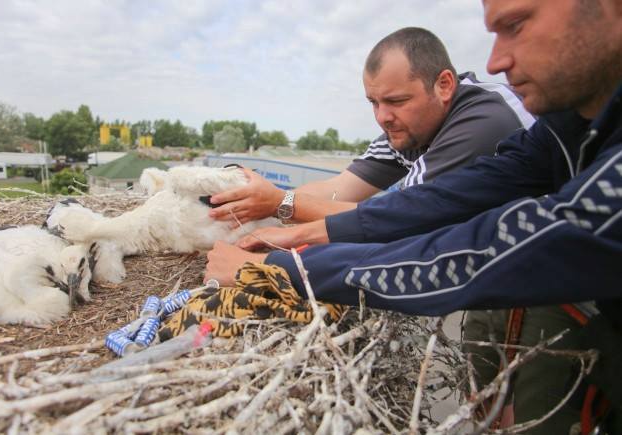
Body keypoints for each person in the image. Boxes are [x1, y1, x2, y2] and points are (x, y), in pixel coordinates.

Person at [206, 0, 622, 432]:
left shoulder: (482, 120)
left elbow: (481, 249)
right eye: (374, 102)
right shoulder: (563, 126)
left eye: (515, 25)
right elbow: (435, 202)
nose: (496, 60)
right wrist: (299, 230)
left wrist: (279, 270)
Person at [207, 27, 533, 225]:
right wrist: (260, 202)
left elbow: (396, 217)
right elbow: (339, 189)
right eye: (374, 102)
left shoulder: (481, 122)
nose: (382, 116)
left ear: (445, 85)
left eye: (397, 100)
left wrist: (280, 206)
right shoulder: (406, 129)